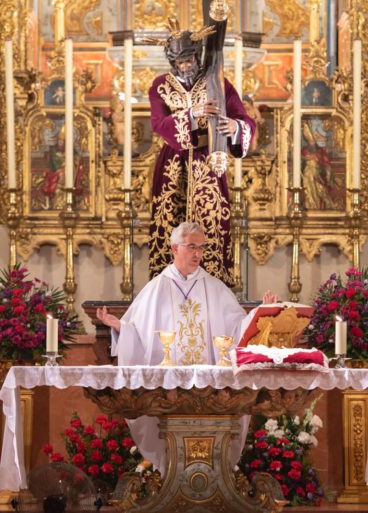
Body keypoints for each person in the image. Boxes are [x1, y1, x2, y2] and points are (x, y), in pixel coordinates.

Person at [96, 222, 276, 472]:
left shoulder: (214, 287)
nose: (197, 254)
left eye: (201, 248)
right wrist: (120, 328)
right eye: (192, 247)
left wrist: (259, 314)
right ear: (175, 248)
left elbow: (237, 329)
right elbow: (136, 333)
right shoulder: (157, 287)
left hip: (209, 391)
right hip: (170, 390)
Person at [147, 22, 256, 287]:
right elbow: (158, 124)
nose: (185, 66)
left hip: (207, 162)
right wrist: (192, 116)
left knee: (212, 221)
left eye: (189, 59)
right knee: (169, 222)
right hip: (172, 164)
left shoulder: (217, 82)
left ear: (197, 55)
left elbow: (244, 118)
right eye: (180, 61)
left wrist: (234, 127)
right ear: (172, 60)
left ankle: (215, 285)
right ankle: (168, 286)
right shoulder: (160, 86)